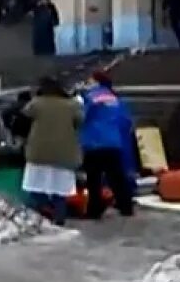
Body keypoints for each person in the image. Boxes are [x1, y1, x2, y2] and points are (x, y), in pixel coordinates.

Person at [22, 76, 83, 226]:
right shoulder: (72, 105)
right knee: (60, 190)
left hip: (39, 152)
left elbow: (24, 114)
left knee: (35, 186)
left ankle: (43, 211)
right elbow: (80, 121)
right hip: (64, 153)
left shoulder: (36, 103)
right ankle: (59, 217)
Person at [79, 70, 135, 219]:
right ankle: (126, 206)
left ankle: (95, 209)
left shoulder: (89, 98)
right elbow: (126, 121)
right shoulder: (116, 99)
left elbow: (81, 117)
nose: (87, 83)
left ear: (96, 82)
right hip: (113, 142)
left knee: (93, 179)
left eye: (89, 81)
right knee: (117, 177)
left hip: (94, 142)